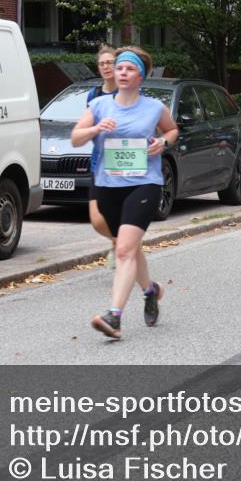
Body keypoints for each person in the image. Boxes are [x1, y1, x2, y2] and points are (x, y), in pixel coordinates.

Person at [72, 46, 180, 339]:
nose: (122, 72)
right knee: (128, 248)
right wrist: (94, 130)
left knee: (123, 249)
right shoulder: (99, 106)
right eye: (119, 68)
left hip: (145, 184)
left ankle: (115, 317)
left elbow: (172, 130)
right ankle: (150, 290)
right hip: (108, 186)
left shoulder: (155, 108)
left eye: (129, 69)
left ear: (141, 75)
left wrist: (163, 142)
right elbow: (75, 138)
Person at [87, 45, 119, 268]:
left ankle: (123, 247)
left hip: (123, 161)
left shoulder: (128, 91)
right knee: (97, 219)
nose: (106, 67)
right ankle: (119, 242)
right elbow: (86, 124)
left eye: (110, 63)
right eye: (102, 64)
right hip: (99, 161)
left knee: (119, 211)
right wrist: (95, 129)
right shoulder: (94, 94)